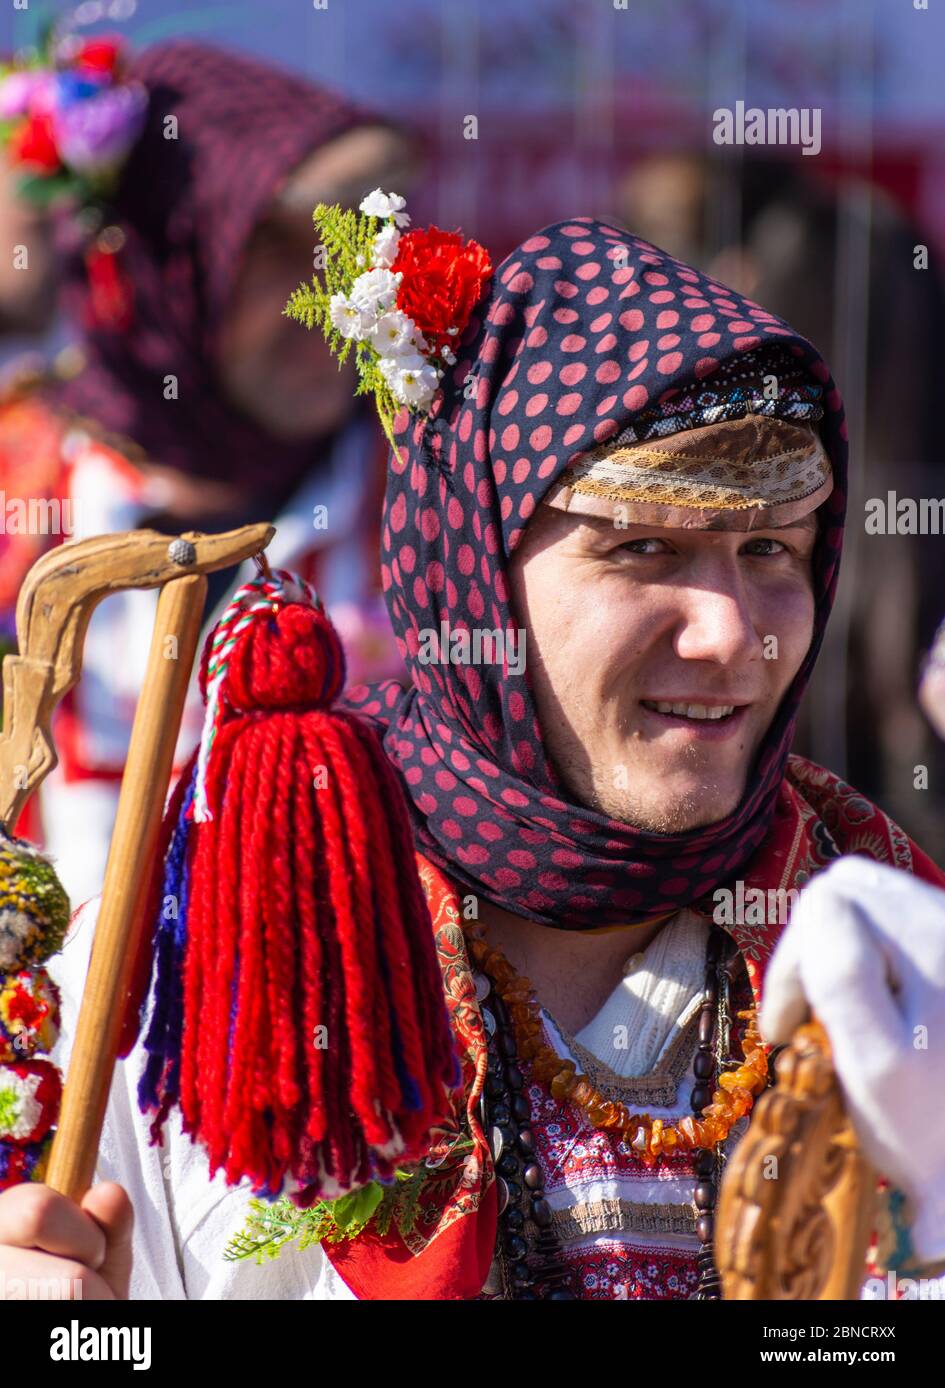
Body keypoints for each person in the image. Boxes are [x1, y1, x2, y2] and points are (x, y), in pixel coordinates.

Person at [2, 215, 945, 1300]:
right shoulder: (220, 946)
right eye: (645, 547)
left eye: (771, 549)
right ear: (474, 563)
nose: (733, 633)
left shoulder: (881, 943)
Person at [0, 40, 411, 900]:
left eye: (346, 248)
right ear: (152, 262)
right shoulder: (19, 488)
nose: (329, 298)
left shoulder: (433, 503)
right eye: (272, 250)